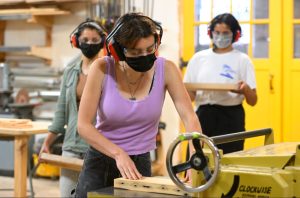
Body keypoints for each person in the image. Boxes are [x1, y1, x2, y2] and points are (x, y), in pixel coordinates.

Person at [75, 12, 202, 198]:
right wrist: (118, 154)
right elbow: (83, 125)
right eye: (135, 52)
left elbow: (190, 117)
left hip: (140, 162)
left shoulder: (167, 69)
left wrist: (194, 155)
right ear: (117, 50)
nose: (144, 56)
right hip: (101, 160)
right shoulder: (102, 68)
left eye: (150, 49)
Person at [38, 19, 107, 197]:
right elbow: (61, 112)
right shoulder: (70, 72)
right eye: (85, 39)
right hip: (71, 147)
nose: (90, 43)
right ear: (76, 41)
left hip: (98, 149)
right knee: (67, 194)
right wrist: (47, 142)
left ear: (103, 42)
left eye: (94, 40)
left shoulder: (108, 73)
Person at [184, 13, 257, 154]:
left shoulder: (242, 60)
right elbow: (190, 96)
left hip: (231, 117)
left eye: (225, 33)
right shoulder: (198, 58)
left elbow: (253, 100)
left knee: (229, 163)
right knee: (198, 160)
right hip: (203, 115)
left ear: (235, 35)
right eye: (217, 32)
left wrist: (245, 89)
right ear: (210, 33)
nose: (220, 36)